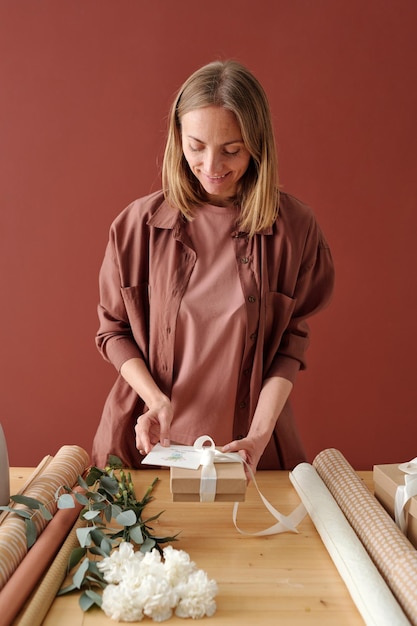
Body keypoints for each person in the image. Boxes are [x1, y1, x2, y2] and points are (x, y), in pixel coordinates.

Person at [92, 59, 334, 475]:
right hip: (144, 451)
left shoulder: (295, 229)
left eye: (232, 150)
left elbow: (288, 346)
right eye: (196, 146)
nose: (211, 166)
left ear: (257, 145)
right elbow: (113, 331)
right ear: (177, 139)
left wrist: (258, 436)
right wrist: (155, 400)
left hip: (248, 454)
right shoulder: (136, 228)